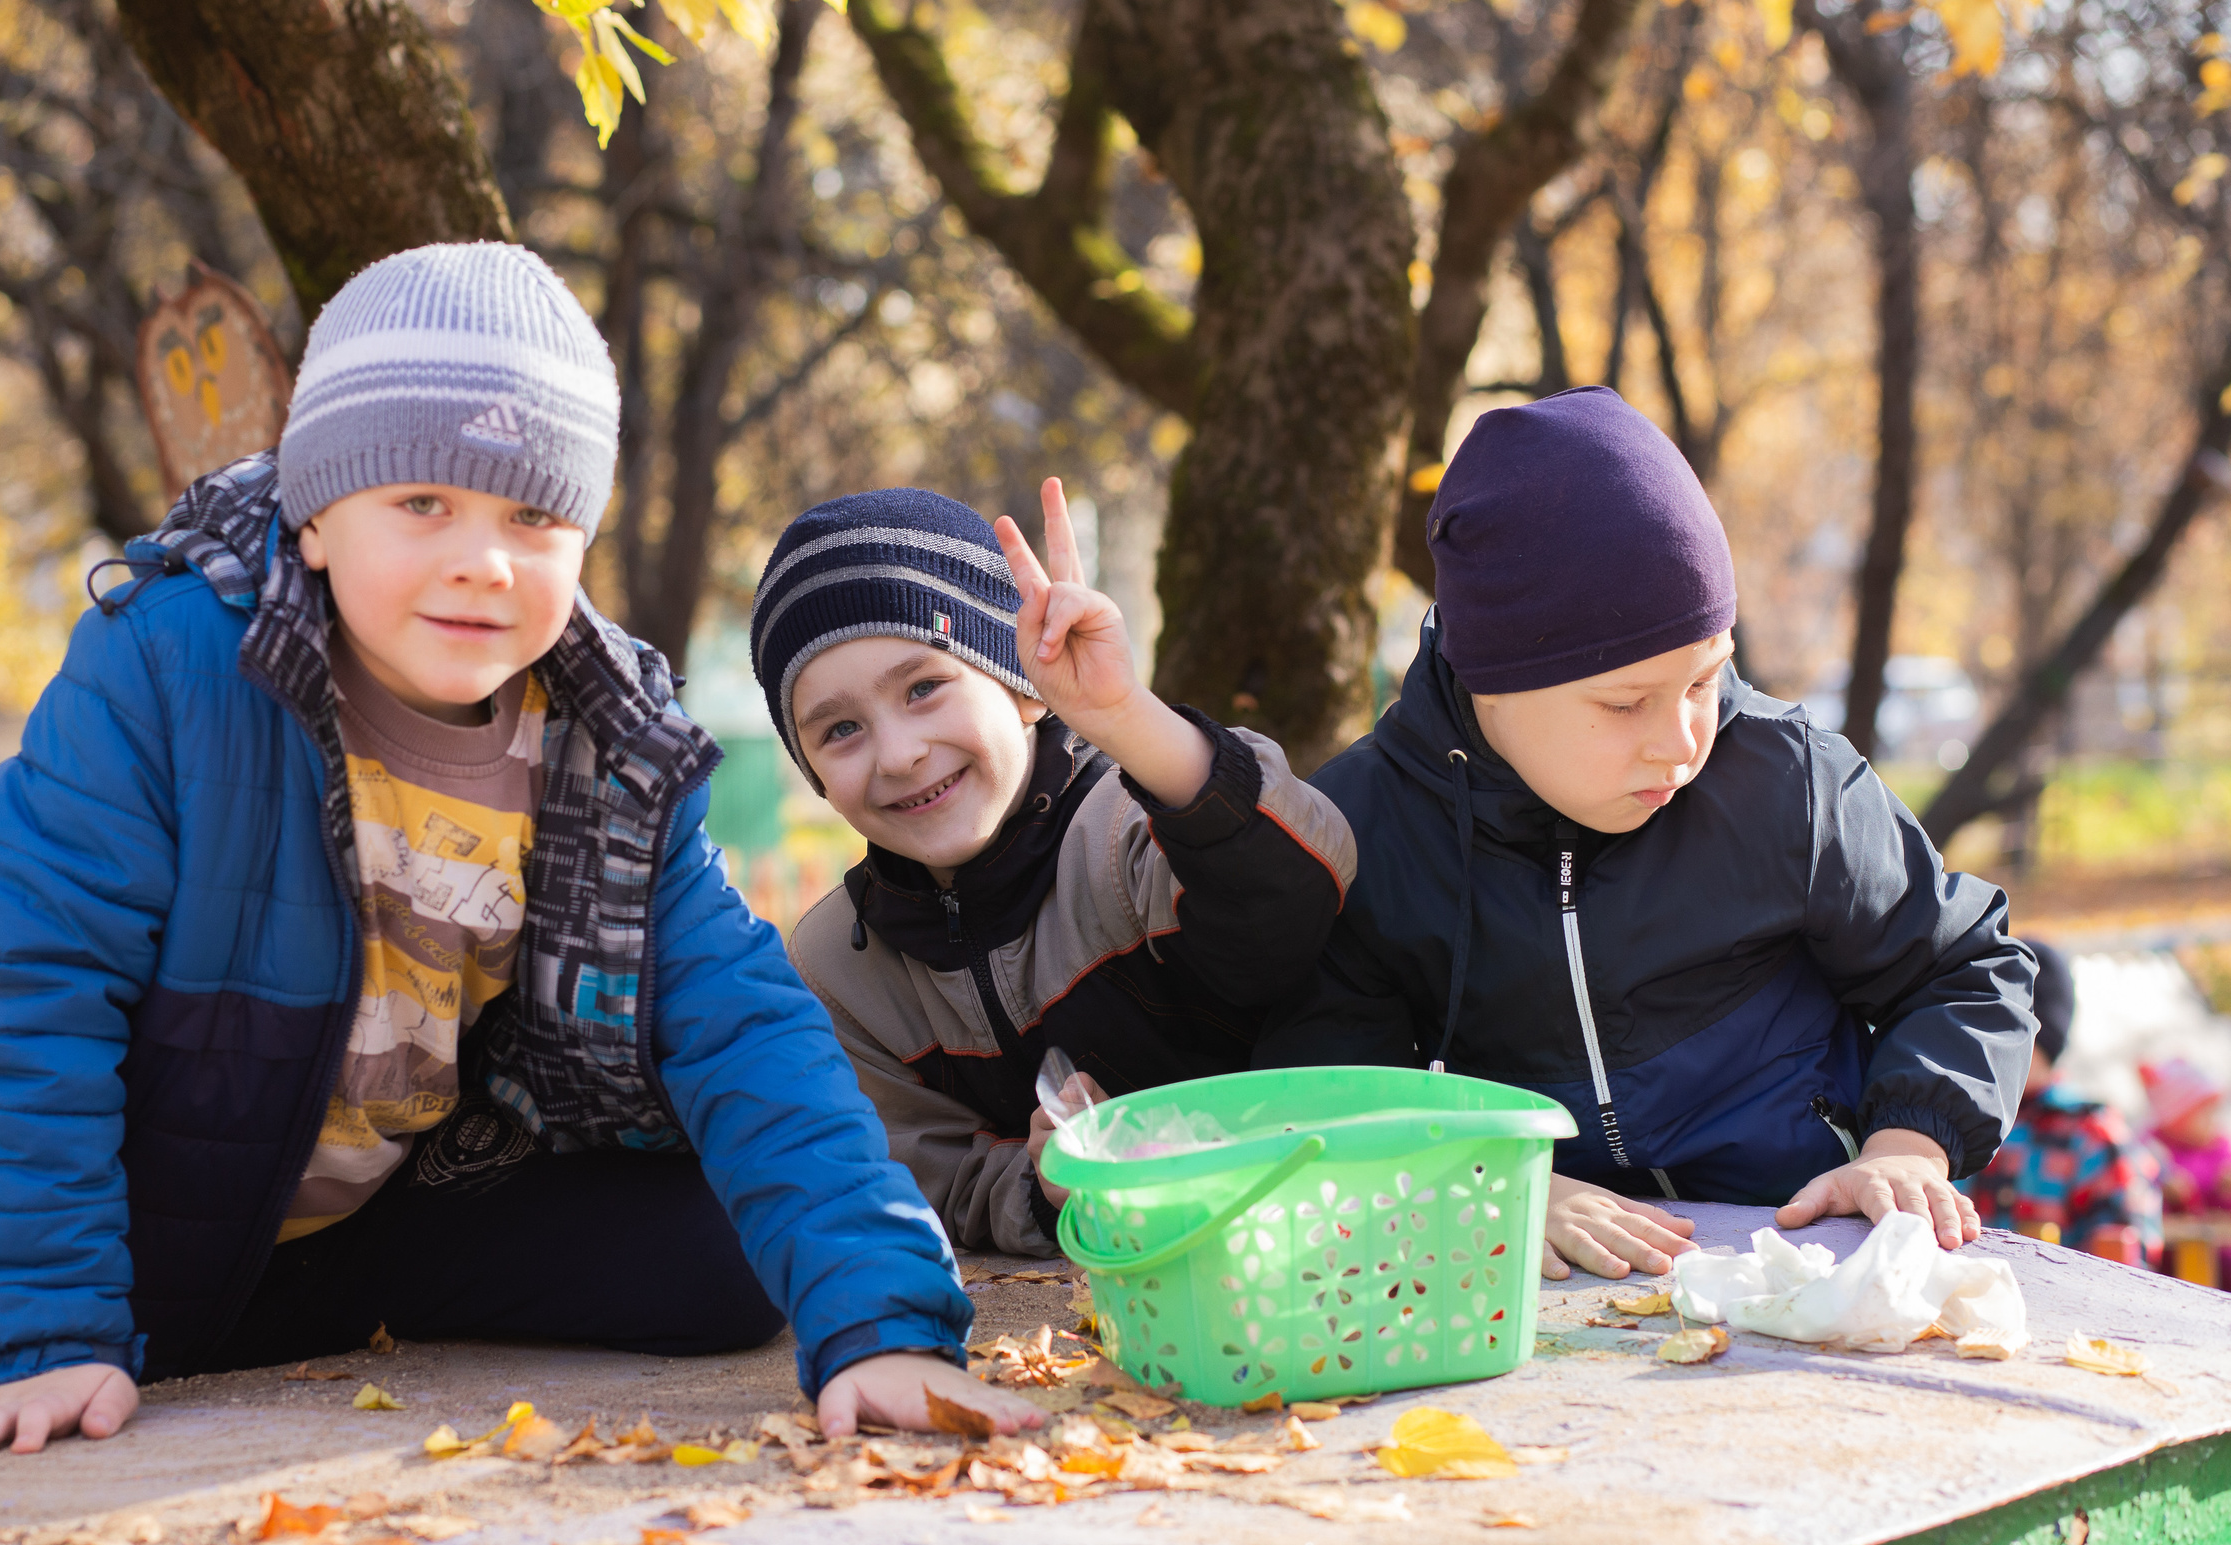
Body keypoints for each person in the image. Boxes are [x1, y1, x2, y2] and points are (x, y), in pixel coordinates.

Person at [0, 244, 1038, 1457]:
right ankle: (137, 1337)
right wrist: (48, 1333)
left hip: (390, 1214)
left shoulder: (605, 742)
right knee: (123, 1293)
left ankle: (340, 1325)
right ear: (318, 516)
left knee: (717, 1259)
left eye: (533, 516)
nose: (481, 560)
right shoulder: (170, 665)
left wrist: (884, 1325)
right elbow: (36, 989)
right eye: (422, 503)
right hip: (166, 1239)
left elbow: (743, 1024)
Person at [1257, 386, 2035, 1281]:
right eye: (1626, 703)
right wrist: (1479, 1184)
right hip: (1535, 1290)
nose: (1682, 741)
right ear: (1490, 680)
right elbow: (1326, 1089)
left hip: (1808, 1264)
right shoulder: (1365, 828)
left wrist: (1906, 1146)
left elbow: (1966, 965)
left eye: (1705, 680)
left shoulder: (1785, 780)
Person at [754, 480, 1357, 1255]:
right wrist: (1042, 1187)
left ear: (1021, 688)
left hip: (1315, 1229)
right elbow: (931, 1174)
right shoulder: (840, 968)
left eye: (926, 687)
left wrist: (1125, 718)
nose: (900, 754)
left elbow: (1295, 901)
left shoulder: (1132, 827)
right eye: (840, 729)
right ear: (813, 774)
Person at [1967, 940, 2164, 1267]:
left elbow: (2129, 1248)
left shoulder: (2090, 1134)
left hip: (2064, 1307)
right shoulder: (1958, 1118)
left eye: (2003, 1035)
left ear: (2037, 1037)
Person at [2140, 1055, 2231, 1284]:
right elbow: (2138, 1198)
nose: (2213, 1120)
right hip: (2171, 1264)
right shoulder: (2153, 1149)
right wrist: (2167, 1189)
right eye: (2204, 1112)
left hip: (2220, 1256)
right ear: (2178, 1115)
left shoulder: (2219, 1147)